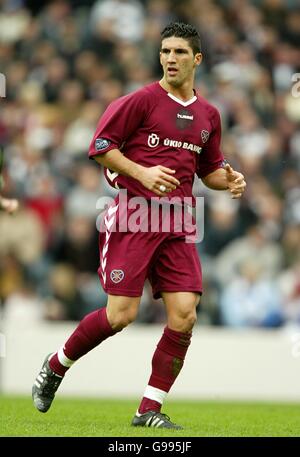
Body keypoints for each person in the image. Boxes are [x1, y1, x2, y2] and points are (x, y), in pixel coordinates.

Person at [32, 22, 246, 429]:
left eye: (180, 52)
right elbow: (98, 147)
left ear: (197, 59)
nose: (170, 59)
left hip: (180, 222)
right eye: (165, 51)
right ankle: (56, 365)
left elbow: (210, 169)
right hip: (134, 215)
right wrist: (142, 174)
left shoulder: (209, 115)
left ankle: (148, 410)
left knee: (185, 314)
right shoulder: (140, 101)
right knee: (120, 315)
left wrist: (230, 179)